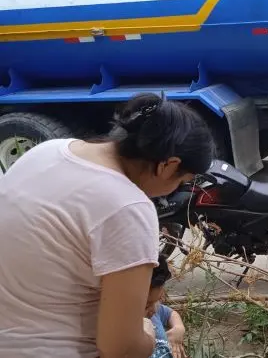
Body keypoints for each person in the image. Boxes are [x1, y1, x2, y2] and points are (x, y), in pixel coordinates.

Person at [0, 94, 214, 358]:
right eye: (182, 181)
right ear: (169, 165)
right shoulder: (127, 207)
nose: (175, 190)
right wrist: (149, 334)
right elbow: (120, 348)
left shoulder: (48, 151)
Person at [147, 256, 187, 358]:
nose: (153, 309)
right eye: (146, 305)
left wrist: (178, 328)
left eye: (158, 300)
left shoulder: (155, 311)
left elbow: (171, 313)